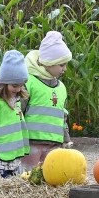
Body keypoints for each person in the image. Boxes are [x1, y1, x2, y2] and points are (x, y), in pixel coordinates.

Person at [21, 31, 73, 168]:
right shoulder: (29, 82)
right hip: (31, 143)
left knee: (50, 177)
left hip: (54, 144)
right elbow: (18, 113)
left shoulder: (61, 88)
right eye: (61, 65)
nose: (65, 69)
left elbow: (63, 116)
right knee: (27, 176)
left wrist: (66, 139)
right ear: (49, 63)